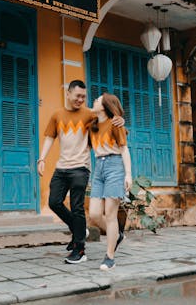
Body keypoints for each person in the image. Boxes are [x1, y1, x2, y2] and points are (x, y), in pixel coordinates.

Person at [38, 80, 123, 264]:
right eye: (77, 96)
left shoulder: (90, 114)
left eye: (84, 97)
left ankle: (80, 250)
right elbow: (49, 138)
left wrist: (120, 119)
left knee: (77, 207)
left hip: (81, 168)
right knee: (54, 202)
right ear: (68, 94)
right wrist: (42, 158)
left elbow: (108, 118)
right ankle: (78, 229)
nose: (81, 100)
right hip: (61, 167)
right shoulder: (56, 115)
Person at [88, 93, 132, 271]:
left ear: (105, 105)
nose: (94, 100)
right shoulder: (92, 124)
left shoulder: (115, 123)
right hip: (99, 167)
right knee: (94, 214)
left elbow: (124, 149)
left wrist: (128, 174)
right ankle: (117, 236)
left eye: (97, 99)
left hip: (114, 165)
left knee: (110, 214)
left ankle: (110, 257)